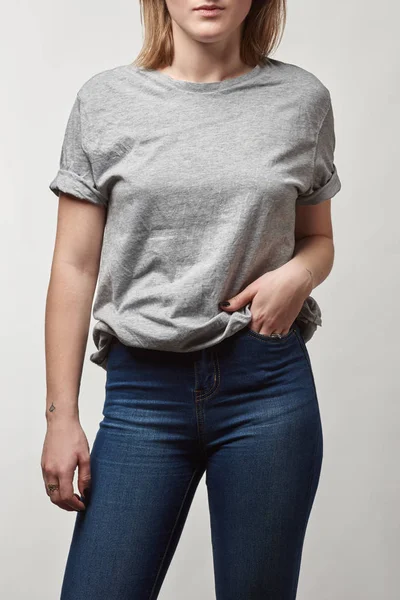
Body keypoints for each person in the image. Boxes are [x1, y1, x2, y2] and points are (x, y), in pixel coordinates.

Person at [41, 0, 342, 598]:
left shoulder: (301, 100)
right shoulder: (104, 102)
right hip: (142, 396)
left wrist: (298, 277)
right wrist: (61, 416)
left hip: (267, 391)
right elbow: (74, 267)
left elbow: (318, 241)